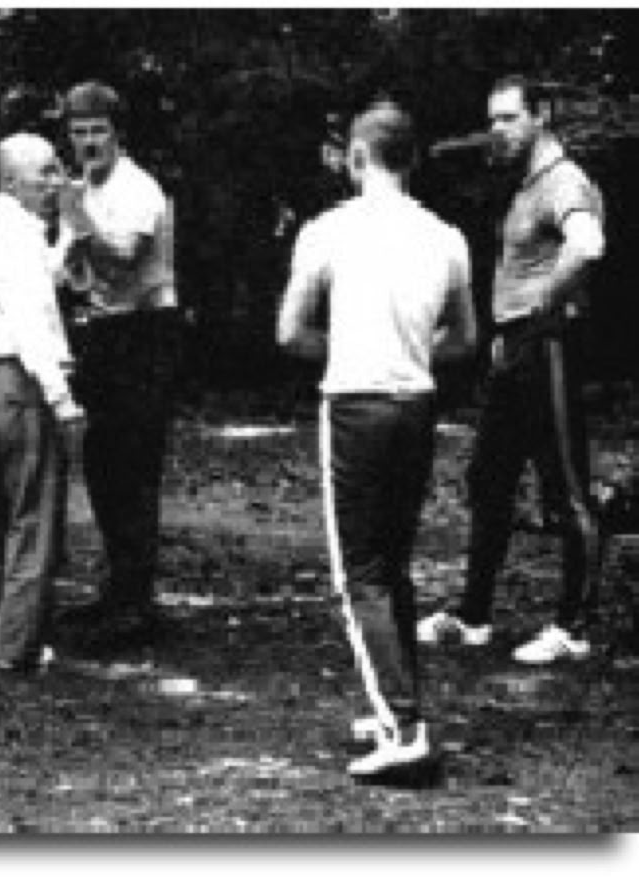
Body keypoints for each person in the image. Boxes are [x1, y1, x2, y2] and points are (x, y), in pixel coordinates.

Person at [278, 101, 477, 783]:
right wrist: (409, 344)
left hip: (357, 403)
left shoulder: (326, 231)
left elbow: (289, 333)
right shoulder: (446, 236)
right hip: (416, 403)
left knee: (358, 573)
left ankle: (404, 725)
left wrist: (349, 346)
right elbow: (466, 340)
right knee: (393, 567)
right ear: (414, 159)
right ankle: (397, 703)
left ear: (358, 158)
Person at [417, 75, 607, 665]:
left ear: (542, 115)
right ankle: (473, 615)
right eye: (493, 119)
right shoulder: (526, 184)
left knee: (567, 489)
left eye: (508, 118)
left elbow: (589, 244)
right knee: (489, 478)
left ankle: (572, 628)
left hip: (546, 344)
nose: (497, 130)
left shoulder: (564, 180)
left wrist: (542, 308)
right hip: (515, 349)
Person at [0, 132, 84, 676]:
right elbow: (30, 321)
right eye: (46, 173)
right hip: (18, 384)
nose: (57, 183)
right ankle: (18, 648)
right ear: (11, 180)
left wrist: (67, 242)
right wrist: (62, 396)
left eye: (58, 172)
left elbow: (26, 287)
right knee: (32, 520)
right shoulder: (22, 238)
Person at [52, 80, 181, 643]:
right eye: (78, 133)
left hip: (144, 333)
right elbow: (74, 268)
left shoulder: (137, 188)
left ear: (116, 133)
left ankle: (137, 600)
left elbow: (124, 260)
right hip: (103, 332)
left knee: (133, 466)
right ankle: (118, 589)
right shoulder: (82, 189)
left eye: (97, 131)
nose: (88, 143)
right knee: (103, 465)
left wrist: (79, 222)